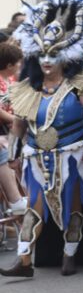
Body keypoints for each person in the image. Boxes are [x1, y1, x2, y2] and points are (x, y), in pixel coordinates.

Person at [1, 0, 83, 277]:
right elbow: (19, 125)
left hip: (73, 156)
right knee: (35, 209)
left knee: (73, 207)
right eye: (43, 56)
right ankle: (24, 261)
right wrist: (13, 154)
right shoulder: (29, 88)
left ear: (66, 56)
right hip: (38, 158)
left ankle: (69, 255)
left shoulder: (80, 84)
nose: (48, 61)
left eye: (54, 55)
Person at [0, 40, 26, 215]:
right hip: (4, 130)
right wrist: (17, 121)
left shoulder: (9, 80)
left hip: (8, 129)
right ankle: (15, 199)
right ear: (9, 65)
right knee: (4, 151)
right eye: (18, 62)